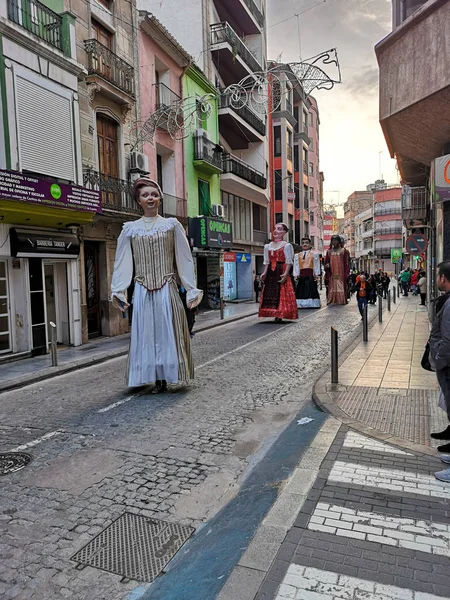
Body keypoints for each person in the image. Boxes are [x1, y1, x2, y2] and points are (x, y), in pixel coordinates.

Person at [111, 178, 202, 393]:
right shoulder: (130, 230)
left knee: (167, 332)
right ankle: (151, 376)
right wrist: (119, 290)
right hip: (142, 290)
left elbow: (184, 258)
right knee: (146, 334)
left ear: (160, 198)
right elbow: (122, 261)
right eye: (145, 195)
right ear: (138, 201)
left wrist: (190, 289)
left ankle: (166, 377)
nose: (150, 198)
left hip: (167, 288)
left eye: (154, 194)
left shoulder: (171, 225)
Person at [428, 262, 450, 481]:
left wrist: (439, 361)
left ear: (444, 278)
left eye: (437, 276)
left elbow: (448, 338)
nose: (436, 280)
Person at [259, 223, 298, 323]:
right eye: (275, 229)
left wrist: (286, 274)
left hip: (281, 269)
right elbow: (267, 261)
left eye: (279, 229)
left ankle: (280, 313)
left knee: (281, 291)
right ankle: (273, 312)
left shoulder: (286, 246)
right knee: (270, 291)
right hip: (271, 272)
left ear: (284, 232)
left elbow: (289, 261)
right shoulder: (268, 246)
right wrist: (264, 273)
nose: (276, 231)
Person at [293, 237, 321, 309]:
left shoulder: (314, 254)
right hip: (301, 276)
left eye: (306, 243)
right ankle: (301, 304)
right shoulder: (297, 255)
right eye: (303, 243)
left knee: (310, 289)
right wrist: (296, 275)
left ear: (310, 244)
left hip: (310, 275)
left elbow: (316, 264)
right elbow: (296, 265)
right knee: (301, 290)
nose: (304, 244)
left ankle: (312, 303)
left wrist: (316, 274)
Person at [324, 235, 351, 305]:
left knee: (340, 285)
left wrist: (346, 273)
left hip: (340, 272)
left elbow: (346, 262)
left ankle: (341, 300)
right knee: (332, 286)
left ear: (339, 241)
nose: (334, 242)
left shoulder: (343, 251)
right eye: (333, 240)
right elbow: (326, 261)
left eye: (336, 240)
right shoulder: (329, 252)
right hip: (332, 272)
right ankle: (332, 299)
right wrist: (327, 266)